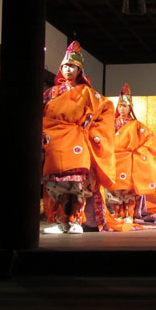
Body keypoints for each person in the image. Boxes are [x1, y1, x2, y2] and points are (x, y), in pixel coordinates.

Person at [42, 41, 116, 234]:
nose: (68, 70)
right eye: (65, 66)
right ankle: (60, 221)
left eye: (72, 67)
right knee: (56, 185)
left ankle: (75, 221)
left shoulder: (88, 93)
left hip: (76, 140)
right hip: (54, 141)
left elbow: (106, 111)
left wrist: (93, 133)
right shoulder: (50, 93)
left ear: (79, 70)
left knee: (76, 185)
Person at [105, 83, 156, 224]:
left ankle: (128, 214)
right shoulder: (110, 124)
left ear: (130, 107)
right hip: (114, 160)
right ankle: (118, 213)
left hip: (128, 161)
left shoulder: (137, 125)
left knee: (128, 191)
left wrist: (139, 153)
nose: (122, 108)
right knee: (115, 190)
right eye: (120, 106)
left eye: (125, 106)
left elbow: (148, 140)